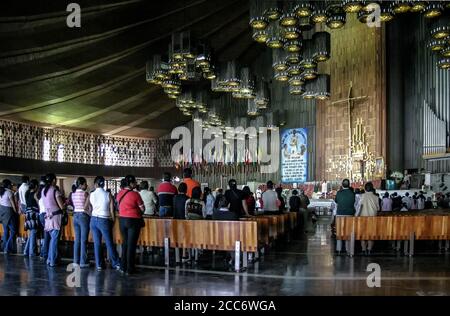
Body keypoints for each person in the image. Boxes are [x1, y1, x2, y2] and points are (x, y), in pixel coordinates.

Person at [89, 176, 120, 271]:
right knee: (109, 242)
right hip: (104, 220)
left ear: (96, 184)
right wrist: (113, 220)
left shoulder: (92, 194)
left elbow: (90, 208)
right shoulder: (108, 194)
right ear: (103, 184)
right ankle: (116, 263)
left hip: (93, 219)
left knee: (97, 243)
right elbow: (112, 210)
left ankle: (99, 264)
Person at [116, 175, 145, 275]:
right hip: (133, 221)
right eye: (134, 182)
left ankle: (122, 267)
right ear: (131, 183)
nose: (135, 184)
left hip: (122, 220)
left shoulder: (119, 193)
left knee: (125, 243)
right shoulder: (135, 194)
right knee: (131, 245)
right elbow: (142, 209)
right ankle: (130, 268)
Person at [42, 173, 65, 267]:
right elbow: (61, 206)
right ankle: (52, 261)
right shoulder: (55, 191)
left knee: (52, 239)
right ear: (54, 180)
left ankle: (49, 259)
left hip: (48, 217)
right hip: (55, 218)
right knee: (55, 240)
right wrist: (64, 208)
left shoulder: (43, 190)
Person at [355, 182, 380, 255]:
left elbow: (357, 207)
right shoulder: (376, 197)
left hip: (362, 218)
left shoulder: (361, 196)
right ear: (372, 188)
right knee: (371, 234)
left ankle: (363, 249)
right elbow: (378, 208)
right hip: (372, 218)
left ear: (365, 188)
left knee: (362, 234)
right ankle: (369, 249)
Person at [72, 177, 91, 268]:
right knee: (83, 240)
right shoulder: (86, 194)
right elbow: (87, 206)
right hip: (83, 216)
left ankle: (76, 261)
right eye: (85, 184)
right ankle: (83, 262)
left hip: (75, 216)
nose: (86, 185)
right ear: (81, 184)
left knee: (77, 240)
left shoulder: (73, 193)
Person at [334, 179, 355, 255]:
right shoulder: (352, 193)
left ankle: (339, 249)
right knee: (348, 232)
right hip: (350, 214)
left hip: (340, 214)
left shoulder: (339, 193)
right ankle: (348, 249)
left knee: (339, 232)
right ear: (349, 185)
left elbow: (336, 201)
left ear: (342, 185)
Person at [0, 179, 18, 254]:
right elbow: (13, 204)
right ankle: (8, 248)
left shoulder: (1, 192)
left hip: (2, 212)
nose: (11, 185)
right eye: (10, 184)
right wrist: (16, 212)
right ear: (8, 185)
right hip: (9, 212)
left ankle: (3, 248)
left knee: (6, 231)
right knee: (14, 231)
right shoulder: (9, 192)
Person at [23, 179, 40, 257]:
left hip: (28, 214)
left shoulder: (27, 193)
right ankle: (31, 253)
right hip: (33, 214)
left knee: (31, 234)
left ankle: (26, 251)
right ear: (36, 186)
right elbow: (38, 204)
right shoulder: (35, 194)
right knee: (33, 233)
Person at [36, 176, 50, 260]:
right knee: (47, 235)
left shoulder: (39, 192)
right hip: (46, 214)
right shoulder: (46, 191)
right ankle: (44, 254)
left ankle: (43, 253)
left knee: (45, 235)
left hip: (41, 214)